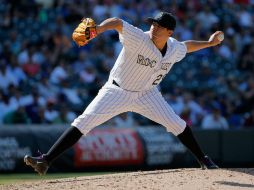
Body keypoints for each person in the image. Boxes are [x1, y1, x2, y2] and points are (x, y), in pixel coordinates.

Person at [24, 12, 222, 175]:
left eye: (159, 26)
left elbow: (187, 46)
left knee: (177, 124)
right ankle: (46, 160)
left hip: (147, 94)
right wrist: (99, 29)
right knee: (84, 121)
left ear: (169, 32)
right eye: (153, 24)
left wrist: (209, 43)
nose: (154, 28)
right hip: (117, 91)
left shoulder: (173, 48)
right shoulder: (139, 38)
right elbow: (118, 23)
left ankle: (203, 159)